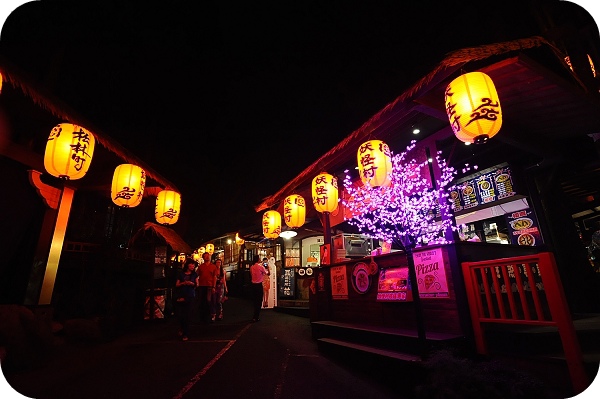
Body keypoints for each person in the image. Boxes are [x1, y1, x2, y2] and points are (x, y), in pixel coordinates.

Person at [174, 258, 198, 341]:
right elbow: (177, 285)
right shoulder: (181, 274)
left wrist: (192, 284)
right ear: (187, 265)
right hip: (181, 295)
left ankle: (185, 333)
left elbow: (197, 284)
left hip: (190, 295)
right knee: (181, 314)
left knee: (187, 315)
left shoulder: (194, 274)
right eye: (191, 264)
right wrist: (183, 283)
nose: (193, 266)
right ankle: (181, 327)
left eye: (194, 265)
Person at [197, 252, 218, 323]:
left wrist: (214, 287)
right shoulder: (201, 267)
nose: (207, 257)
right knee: (202, 301)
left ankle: (209, 316)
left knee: (209, 301)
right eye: (205, 256)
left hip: (209, 286)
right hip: (201, 285)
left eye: (208, 256)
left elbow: (215, 277)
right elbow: (197, 275)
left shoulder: (213, 266)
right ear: (203, 258)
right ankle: (202, 317)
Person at [250, 255, 268, 321]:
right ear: (258, 259)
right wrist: (267, 267)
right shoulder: (261, 267)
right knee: (259, 300)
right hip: (259, 285)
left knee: (255, 301)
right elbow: (267, 273)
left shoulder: (251, 267)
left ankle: (254, 316)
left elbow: (251, 274)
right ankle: (256, 316)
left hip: (253, 285)